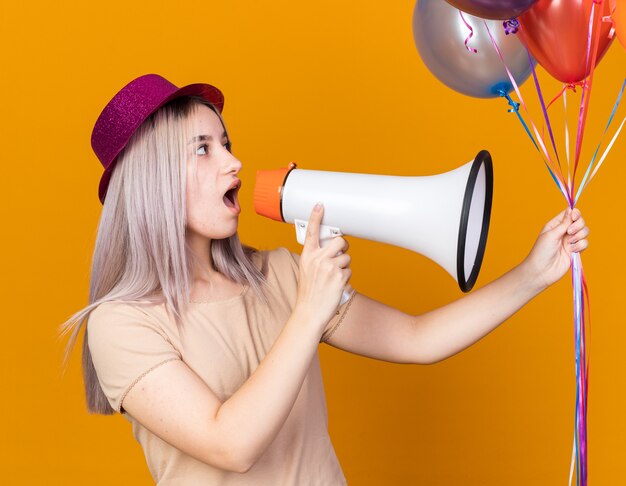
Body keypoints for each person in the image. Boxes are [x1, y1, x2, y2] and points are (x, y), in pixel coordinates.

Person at [62, 73, 589, 485]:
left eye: (226, 142)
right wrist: (310, 310)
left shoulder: (284, 274)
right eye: (203, 149)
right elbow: (231, 445)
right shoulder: (121, 324)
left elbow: (417, 339)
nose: (235, 162)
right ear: (152, 180)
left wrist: (532, 274)